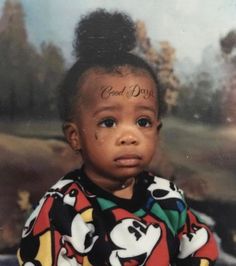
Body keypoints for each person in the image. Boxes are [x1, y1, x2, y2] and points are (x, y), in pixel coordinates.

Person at [17, 9, 218, 266]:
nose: (129, 136)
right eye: (109, 122)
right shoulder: (62, 211)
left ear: (157, 129)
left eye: (142, 122)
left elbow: (200, 248)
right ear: (74, 136)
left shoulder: (166, 196)